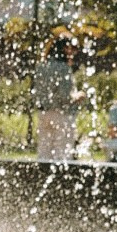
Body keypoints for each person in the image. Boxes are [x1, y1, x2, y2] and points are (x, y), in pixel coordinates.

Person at [34, 32, 82, 162]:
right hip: (62, 115)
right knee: (63, 155)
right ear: (66, 48)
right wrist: (79, 96)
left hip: (44, 113)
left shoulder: (42, 66)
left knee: (44, 154)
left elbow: (37, 92)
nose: (74, 53)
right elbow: (65, 96)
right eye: (73, 49)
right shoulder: (63, 68)